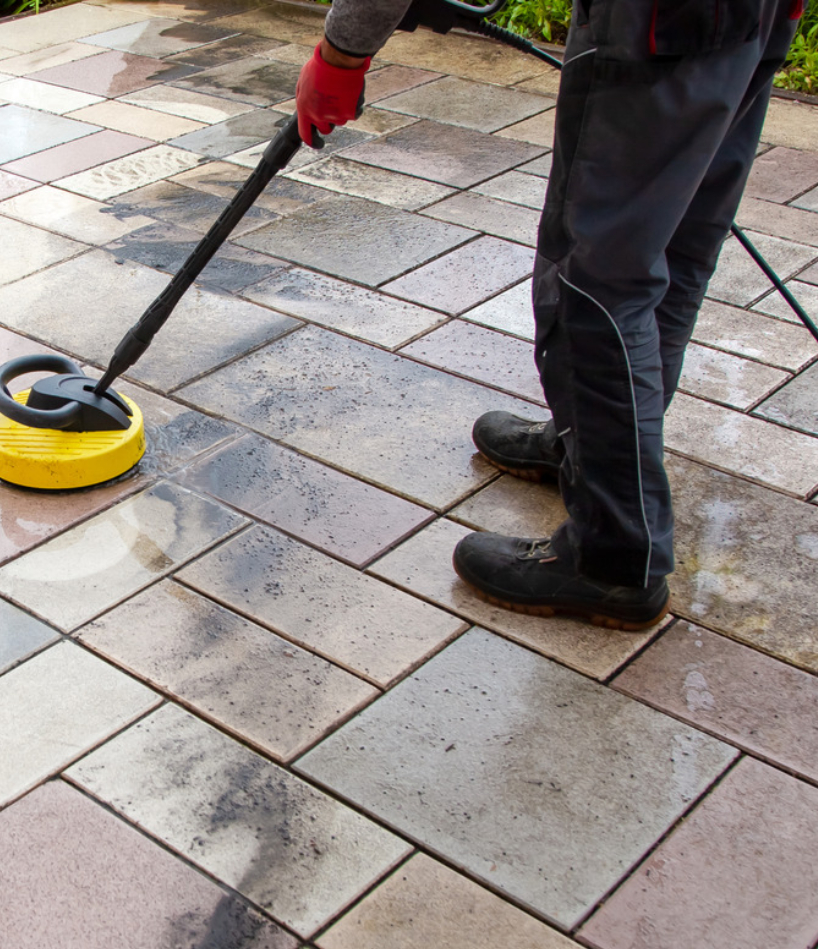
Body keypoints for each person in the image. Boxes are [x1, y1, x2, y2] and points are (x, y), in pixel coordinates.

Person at [294, 0, 804, 630]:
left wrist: (341, 54)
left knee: (597, 283)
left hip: (654, 24)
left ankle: (613, 559)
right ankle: (590, 452)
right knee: (672, 246)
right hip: (752, 17)